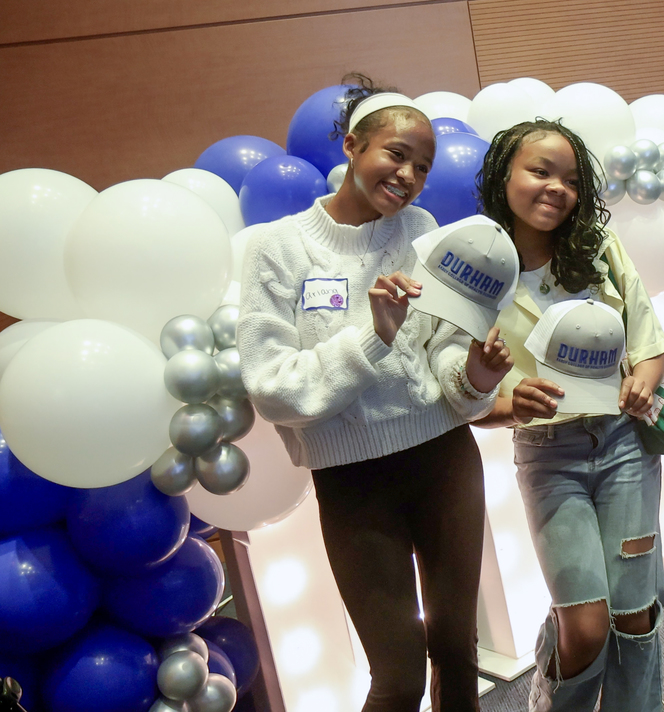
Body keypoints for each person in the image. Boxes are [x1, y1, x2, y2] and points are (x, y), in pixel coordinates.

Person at [236, 76, 512, 712]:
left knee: (457, 652)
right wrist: (373, 336)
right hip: (353, 483)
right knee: (398, 679)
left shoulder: (420, 231)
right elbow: (271, 389)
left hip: (444, 461)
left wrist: (476, 375)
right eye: (396, 153)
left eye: (423, 165)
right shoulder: (278, 248)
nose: (409, 175)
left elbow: (443, 348)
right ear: (353, 146)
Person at [474, 119, 664, 711]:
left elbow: (651, 344)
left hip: (624, 445)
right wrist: (509, 404)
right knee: (584, 627)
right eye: (540, 171)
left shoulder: (600, 253)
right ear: (504, 176)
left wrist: (641, 383)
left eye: (571, 180)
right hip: (548, 458)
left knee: (634, 614)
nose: (556, 188)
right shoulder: (479, 269)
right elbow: (461, 395)